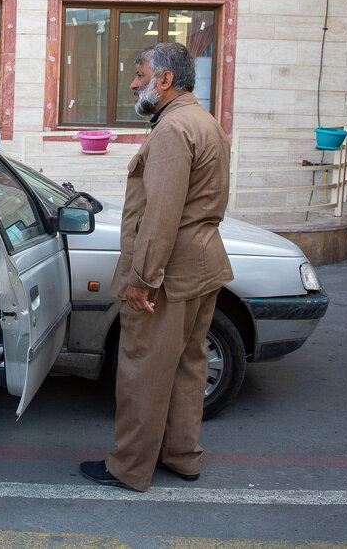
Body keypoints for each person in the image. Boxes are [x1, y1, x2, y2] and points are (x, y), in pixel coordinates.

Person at [80, 42, 233, 492]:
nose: (132, 83)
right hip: (202, 267)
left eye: (139, 73)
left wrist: (142, 280)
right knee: (188, 367)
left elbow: (161, 214)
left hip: (168, 274)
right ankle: (182, 457)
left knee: (143, 369)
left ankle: (128, 467)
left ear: (164, 80)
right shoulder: (203, 122)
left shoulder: (172, 129)